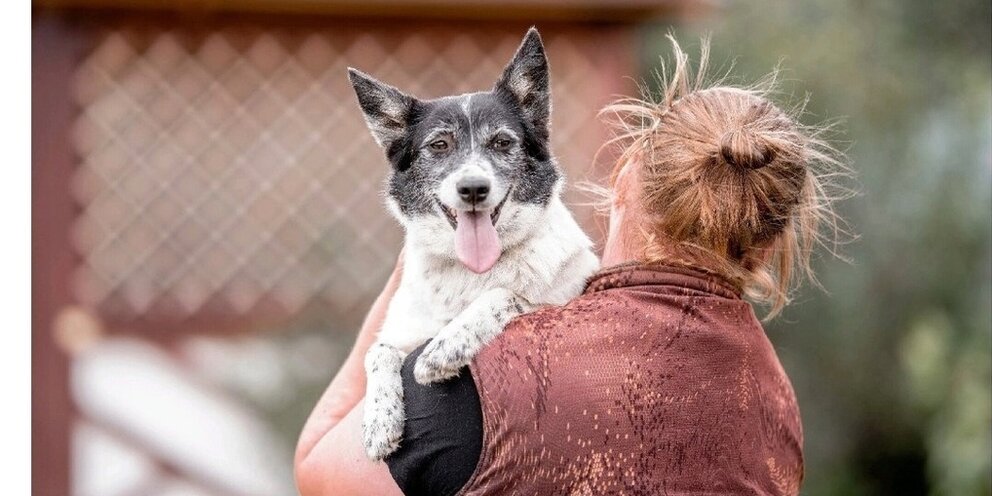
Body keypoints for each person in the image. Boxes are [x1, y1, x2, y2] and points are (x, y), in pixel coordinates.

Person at [294, 37, 847, 496]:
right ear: (770, 244)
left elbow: (320, 468)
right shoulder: (777, 408)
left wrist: (411, 265)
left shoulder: (497, 370)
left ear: (623, 183)